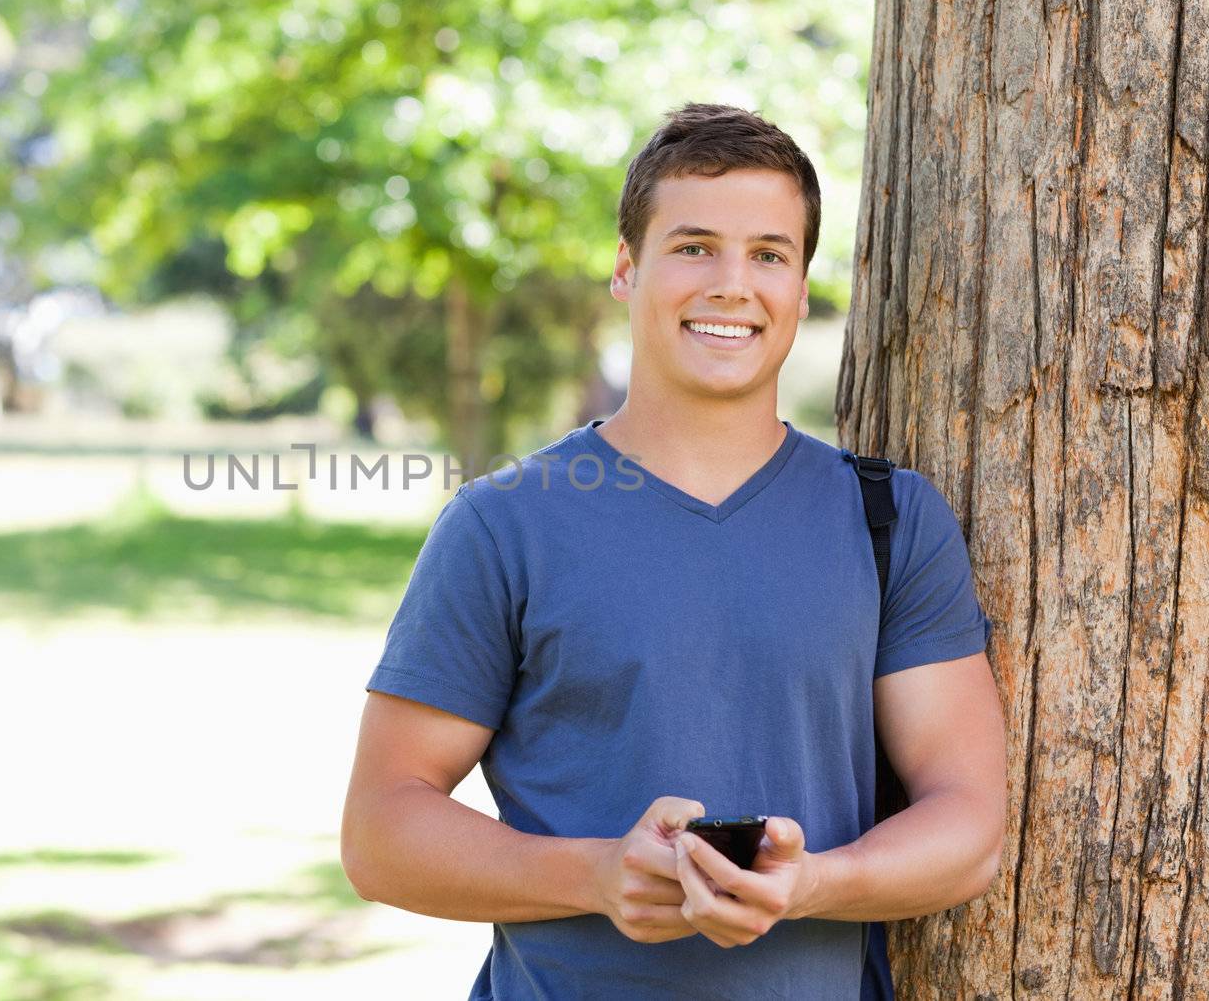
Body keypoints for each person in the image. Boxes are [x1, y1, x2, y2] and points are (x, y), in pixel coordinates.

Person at [339, 103, 1007, 1000]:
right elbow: (382, 831)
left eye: (769, 254)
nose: (733, 284)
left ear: (801, 289)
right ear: (628, 267)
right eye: (695, 246)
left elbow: (969, 824)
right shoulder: (505, 523)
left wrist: (811, 885)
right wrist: (597, 874)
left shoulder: (888, 517)